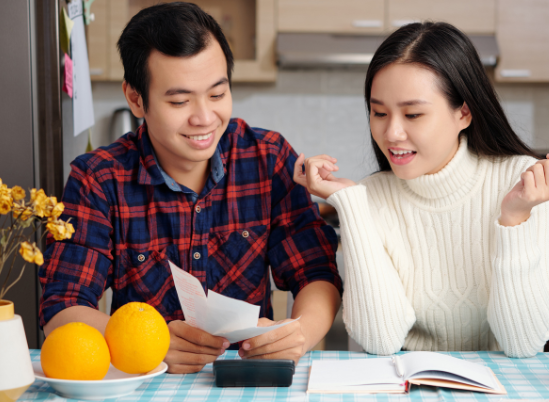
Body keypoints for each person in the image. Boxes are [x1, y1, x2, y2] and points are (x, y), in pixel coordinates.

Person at [39, 2, 342, 373]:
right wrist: (153, 343)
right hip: (145, 385)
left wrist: (300, 332)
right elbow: (62, 307)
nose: (203, 118)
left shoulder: (267, 158)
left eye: (217, 95)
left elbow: (316, 273)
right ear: (136, 98)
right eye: (180, 101)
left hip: (245, 380)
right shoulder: (99, 179)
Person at [294, 22, 549, 358]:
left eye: (413, 114)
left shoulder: (524, 184)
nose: (392, 132)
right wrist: (351, 204)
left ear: (464, 113)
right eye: (379, 112)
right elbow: (380, 340)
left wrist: (513, 219)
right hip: (406, 392)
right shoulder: (371, 197)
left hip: (500, 393)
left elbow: (523, 344)